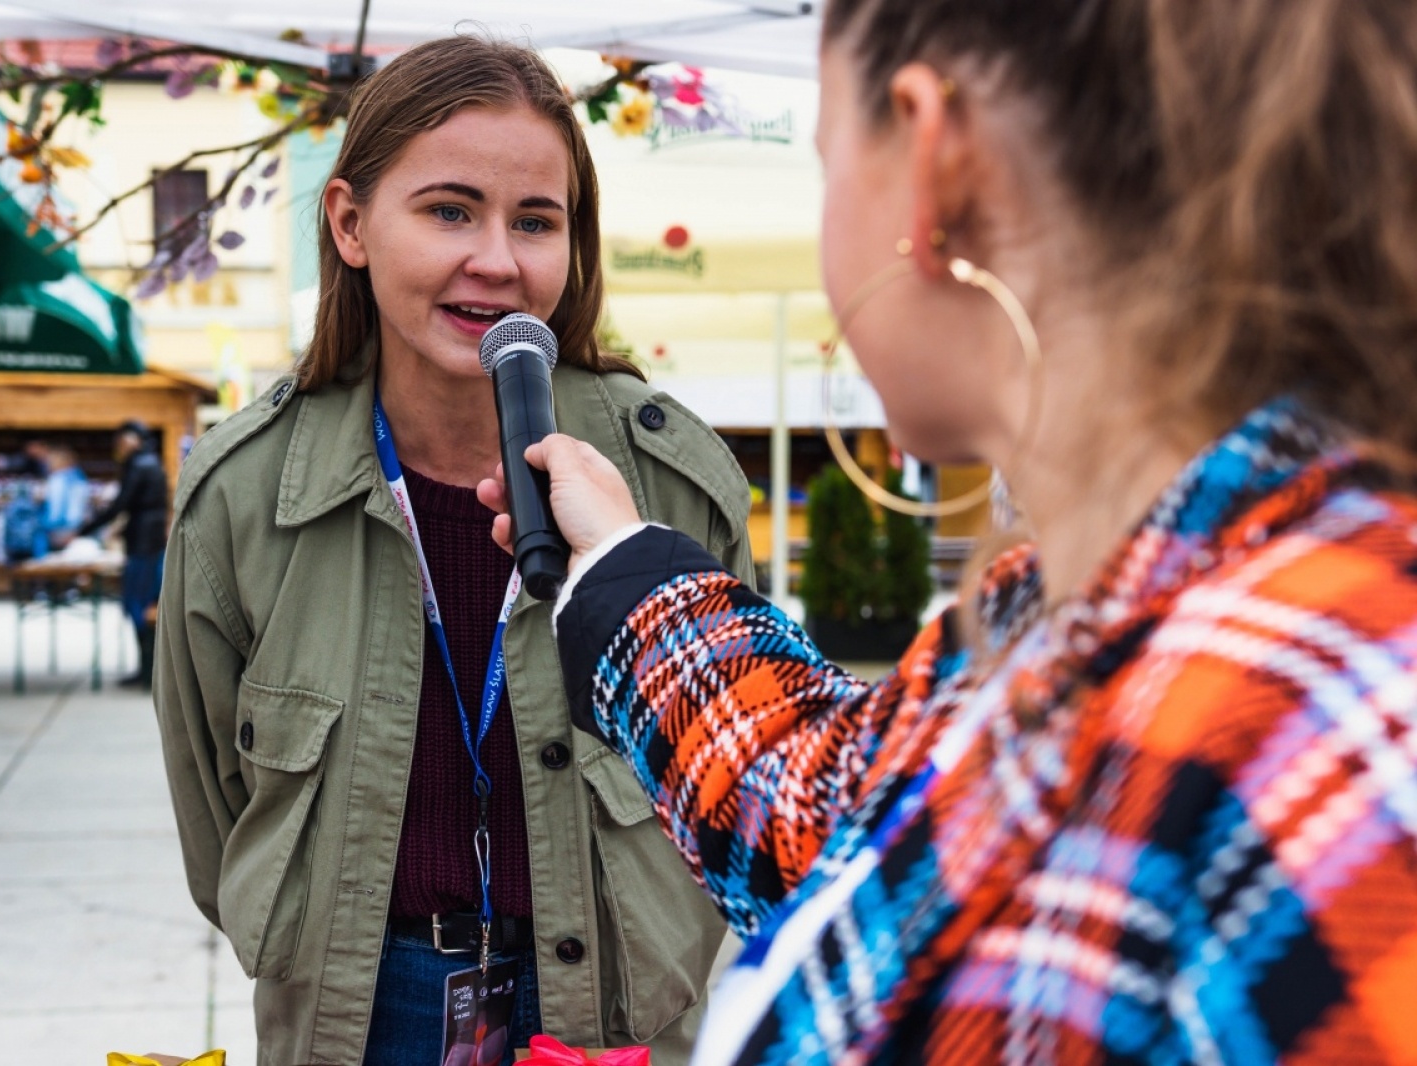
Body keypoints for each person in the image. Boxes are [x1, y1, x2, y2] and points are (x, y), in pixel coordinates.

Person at [498, 2, 1417, 1063]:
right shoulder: (1078, 605)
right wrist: (620, 569)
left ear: (936, 163)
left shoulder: (1329, 741)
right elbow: (828, 810)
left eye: (828, 158)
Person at [154, 35, 753, 1066]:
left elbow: (731, 780)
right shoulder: (240, 497)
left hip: (614, 1015)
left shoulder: (674, 481)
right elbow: (215, 813)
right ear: (350, 222)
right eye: (448, 210)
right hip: (357, 1012)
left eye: (535, 221)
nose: (498, 261)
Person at [78, 421, 167, 688]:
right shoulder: (150, 462)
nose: (119, 446)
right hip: (148, 542)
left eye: (122, 440)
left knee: (139, 607)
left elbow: (121, 504)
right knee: (142, 606)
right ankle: (146, 671)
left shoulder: (140, 465)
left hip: (144, 546)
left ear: (133, 440)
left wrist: (85, 530)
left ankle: (148, 672)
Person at [40, 444, 92, 552]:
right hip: (77, 527)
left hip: (58, 528)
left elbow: (56, 509)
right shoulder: (79, 477)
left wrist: (47, 526)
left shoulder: (57, 479)